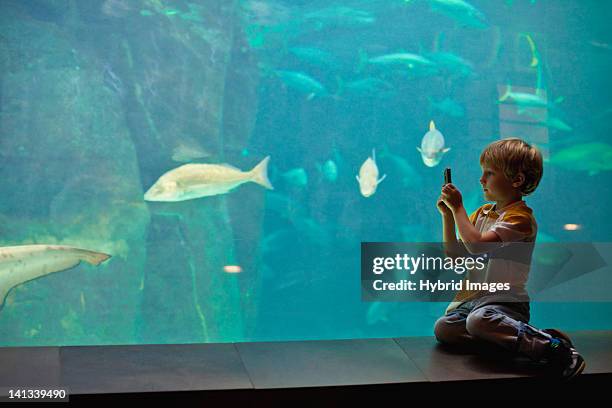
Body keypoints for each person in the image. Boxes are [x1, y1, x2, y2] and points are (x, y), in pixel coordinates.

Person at [433, 137, 585, 379]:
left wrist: (458, 207)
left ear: (517, 180)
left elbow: (477, 246)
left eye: (490, 174)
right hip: (475, 302)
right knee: (444, 328)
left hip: (505, 303)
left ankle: (554, 348)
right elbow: (454, 257)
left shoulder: (520, 219)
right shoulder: (481, 214)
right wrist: (448, 216)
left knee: (479, 322)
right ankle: (513, 341)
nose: (481, 180)